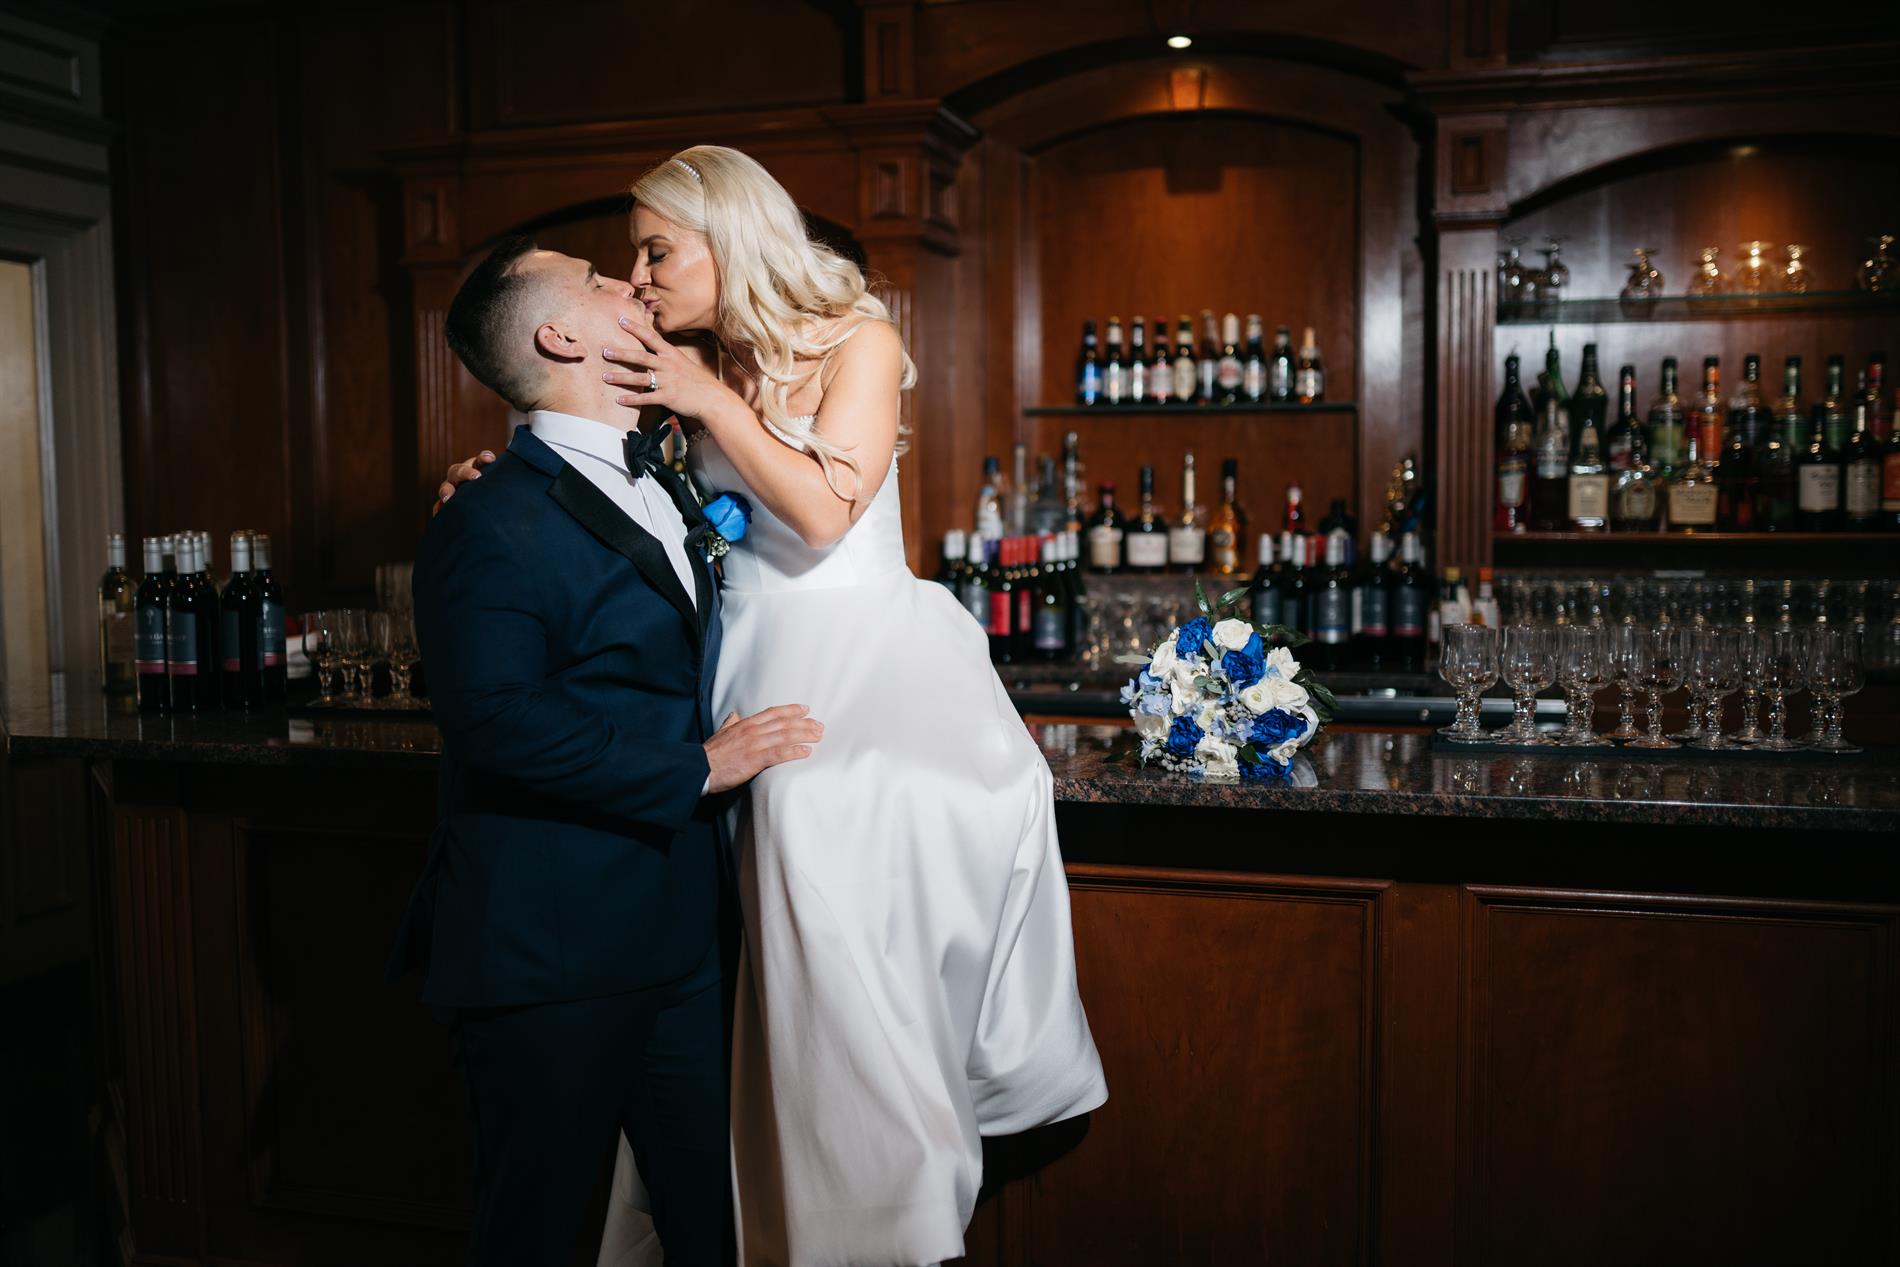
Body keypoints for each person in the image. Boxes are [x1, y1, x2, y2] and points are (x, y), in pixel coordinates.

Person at [443, 145, 1107, 1267]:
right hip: (738, 661)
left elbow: (824, 514)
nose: (638, 276)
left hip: (860, 650)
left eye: (655, 251)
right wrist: (494, 488)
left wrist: (706, 397)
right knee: (742, 928)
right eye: (629, 260)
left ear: (730, 237)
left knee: (833, 856)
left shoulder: (856, 338)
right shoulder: (679, 368)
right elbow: (592, 479)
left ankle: (883, 1203)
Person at [396, 234, 822, 1266]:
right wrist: (699, 765)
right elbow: (496, 720)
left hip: (682, 933)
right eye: (596, 281)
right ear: (559, 337)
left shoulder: (668, 474)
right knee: (538, 1229)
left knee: (714, 1227)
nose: (628, 282)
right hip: (551, 950)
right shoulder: (486, 519)